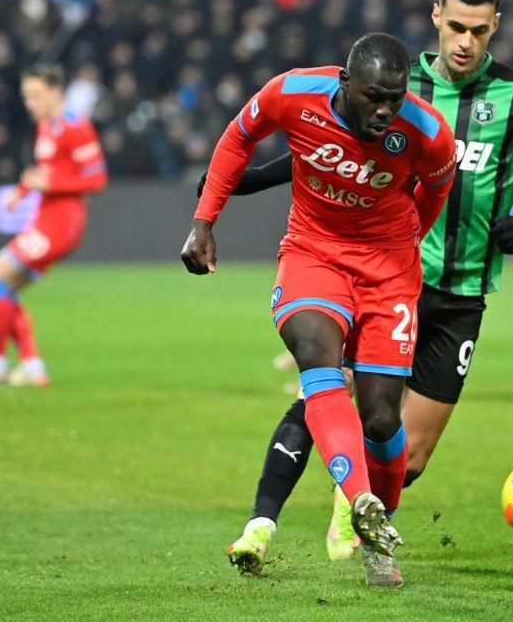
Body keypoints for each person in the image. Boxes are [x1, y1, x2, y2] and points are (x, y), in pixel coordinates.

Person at [202, 0, 513, 565]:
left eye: (479, 31)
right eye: (456, 25)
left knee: (410, 452)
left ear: (495, 29)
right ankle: (289, 516)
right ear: (437, 16)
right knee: (325, 389)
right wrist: (242, 184)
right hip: (380, 274)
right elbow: (324, 153)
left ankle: (355, 503)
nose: (465, 41)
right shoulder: (395, 84)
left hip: (460, 291)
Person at [181, 33, 456, 587]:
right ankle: (361, 501)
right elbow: (238, 140)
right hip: (313, 252)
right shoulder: (294, 92)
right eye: (373, 96)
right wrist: (204, 222)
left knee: (381, 419)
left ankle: (381, 537)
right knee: (316, 358)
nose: (384, 110)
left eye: (395, 98)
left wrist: (404, 253)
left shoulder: (427, 132)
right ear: (344, 83)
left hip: (389, 269)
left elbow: (435, 190)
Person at [0, 63, 107, 388]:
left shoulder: (75, 127)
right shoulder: (46, 127)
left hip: (61, 224)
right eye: (27, 96)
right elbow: (47, 175)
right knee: (3, 288)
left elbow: (96, 179)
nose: (30, 103)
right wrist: (23, 191)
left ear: (56, 92)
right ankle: (32, 366)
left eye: (36, 95)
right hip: (45, 219)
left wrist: (46, 186)